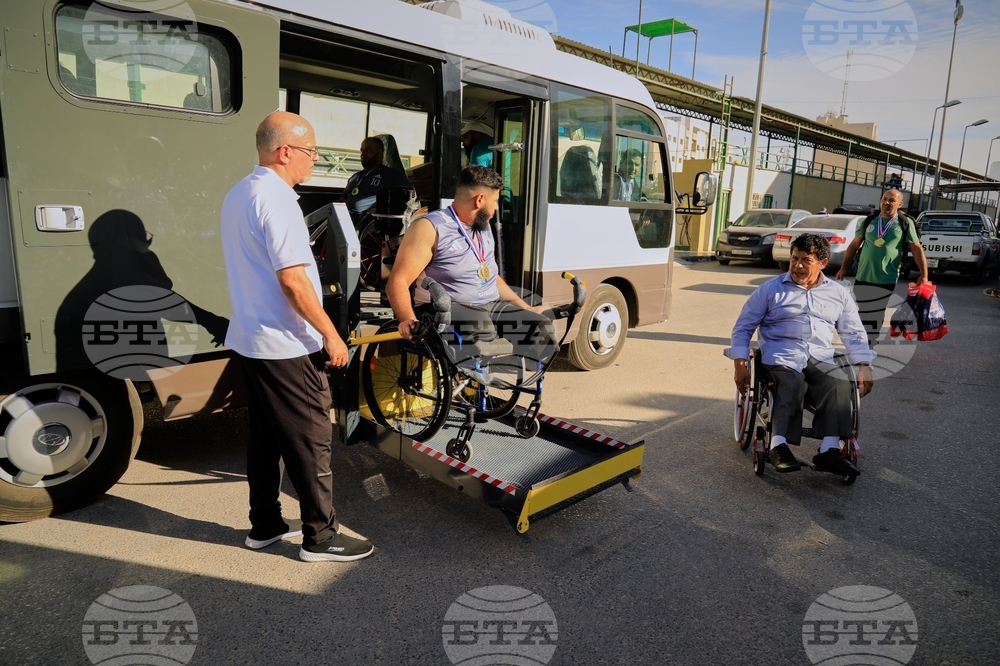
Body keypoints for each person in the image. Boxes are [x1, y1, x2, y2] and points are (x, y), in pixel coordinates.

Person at [220, 111, 374, 563]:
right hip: (286, 343)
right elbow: (293, 280)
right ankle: (320, 537)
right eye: (311, 151)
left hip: (252, 339)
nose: (315, 159)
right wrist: (331, 335)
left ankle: (265, 524)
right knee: (310, 439)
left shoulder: (239, 192)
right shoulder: (279, 199)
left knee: (266, 439)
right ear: (285, 152)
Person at [725, 234, 874, 476]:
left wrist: (864, 365)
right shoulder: (771, 290)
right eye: (794, 258)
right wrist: (739, 364)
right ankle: (778, 445)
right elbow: (743, 327)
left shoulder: (837, 293)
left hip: (820, 355)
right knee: (792, 383)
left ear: (823, 263)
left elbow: (854, 333)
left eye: (806, 260)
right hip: (781, 355)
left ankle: (829, 450)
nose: (798, 265)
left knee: (839, 383)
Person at [386, 166, 556, 363]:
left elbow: (489, 275)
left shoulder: (482, 225)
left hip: (490, 305)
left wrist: (525, 308)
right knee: (482, 330)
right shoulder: (430, 227)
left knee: (540, 327)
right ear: (480, 200)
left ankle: (513, 374)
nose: (496, 208)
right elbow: (397, 281)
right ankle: (477, 372)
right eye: (495, 201)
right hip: (448, 308)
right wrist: (408, 319)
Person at [835, 189, 929, 346]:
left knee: (876, 311)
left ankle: (870, 342)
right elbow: (854, 245)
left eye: (892, 200)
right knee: (863, 311)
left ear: (900, 204)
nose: (887, 202)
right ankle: (862, 340)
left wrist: (924, 275)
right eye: (884, 199)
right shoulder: (869, 221)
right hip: (863, 275)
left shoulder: (905, 223)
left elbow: (916, 248)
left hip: (887, 276)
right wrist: (843, 267)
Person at [343, 136, 412, 218]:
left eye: (367, 150)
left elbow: (410, 199)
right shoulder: (355, 177)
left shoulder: (391, 175)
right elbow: (343, 198)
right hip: (345, 218)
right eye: (362, 150)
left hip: (370, 221)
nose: (363, 153)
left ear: (379, 153)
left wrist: (383, 209)